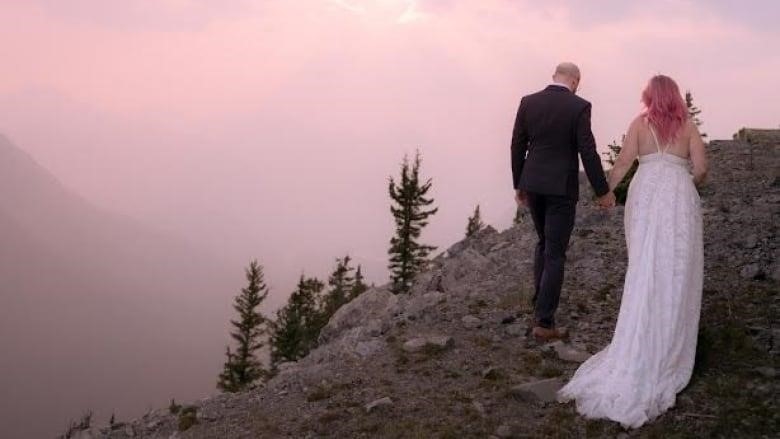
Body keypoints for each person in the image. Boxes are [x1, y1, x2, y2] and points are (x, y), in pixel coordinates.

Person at [556, 74, 707, 429]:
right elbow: (702, 168)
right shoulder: (689, 127)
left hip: (645, 192)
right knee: (676, 266)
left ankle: (637, 340)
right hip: (677, 194)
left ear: (649, 97)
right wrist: (687, 180)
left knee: (644, 265)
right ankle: (670, 343)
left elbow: (623, 163)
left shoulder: (639, 125)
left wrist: (603, 191)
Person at [511, 62, 616, 343]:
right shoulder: (579, 106)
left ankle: (539, 307)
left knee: (543, 243)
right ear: (576, 81)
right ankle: (544, 323)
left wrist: (519, 183)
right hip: (561, 187)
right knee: (555, 252)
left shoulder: (528, 102)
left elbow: (517, 145)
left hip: (533, 183)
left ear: (554, 76)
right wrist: (602, 190)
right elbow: (587, 151)